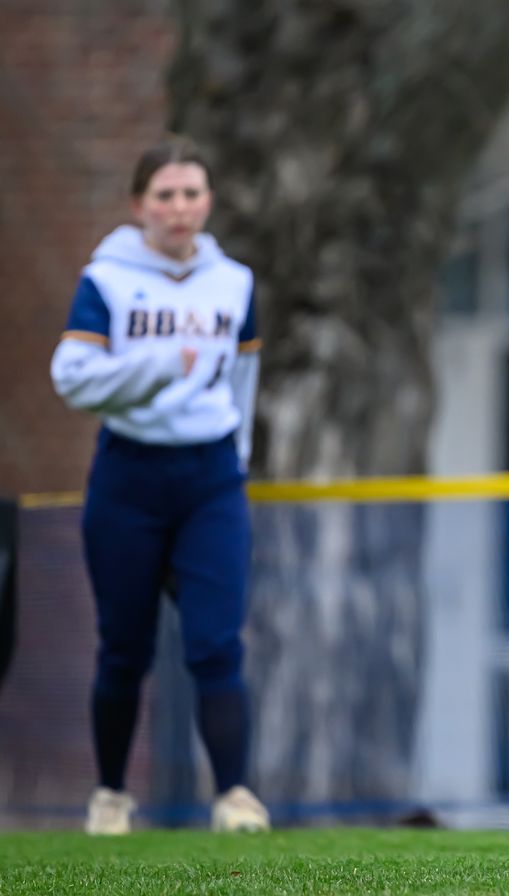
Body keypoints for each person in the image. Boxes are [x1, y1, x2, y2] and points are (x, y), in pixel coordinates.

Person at [50, 135, 270, 835]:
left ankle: (234, 797)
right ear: (140, 204)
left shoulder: (233, 283)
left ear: (208, 201)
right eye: (165, 195)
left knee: (216, 643)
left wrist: (235, 454)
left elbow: (242, 379)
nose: (179, 209)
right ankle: (111, 797)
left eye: (192, 194)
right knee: (125, 647)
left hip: (209, 477)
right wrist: (153, 369)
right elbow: (70, 377)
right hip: (129, 473)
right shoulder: (107, 281)